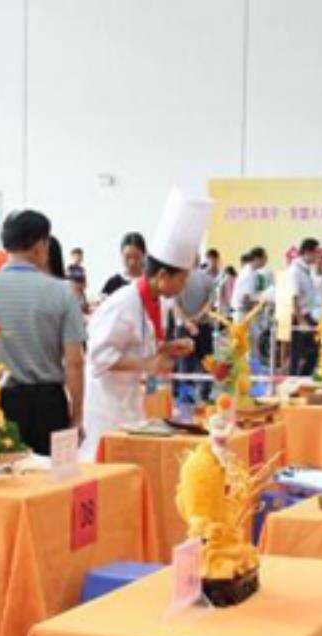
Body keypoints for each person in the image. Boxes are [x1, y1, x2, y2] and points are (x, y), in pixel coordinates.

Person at [81, 189, 211, 459]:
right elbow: (98, 358)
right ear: (162, 275)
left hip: (130, 401)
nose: (184, 286)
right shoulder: (123, 303)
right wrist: (147, 364)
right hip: (106, 405)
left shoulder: (157, 301)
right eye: (182, 279)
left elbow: (142, 347)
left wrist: (167, 348)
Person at [0, 210, 86, 456]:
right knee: (49, 476)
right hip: (49, 404)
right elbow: (75, 362)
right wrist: (77, 417)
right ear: (39, 246)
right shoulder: (63, 292)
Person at [174, 256, 215, 402]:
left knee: (184, 365)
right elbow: (209, 304)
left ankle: (186, 398)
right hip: (203, 327)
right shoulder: (208, 279)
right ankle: (204, 397)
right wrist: (197, 319)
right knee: (206, 363)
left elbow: (175, 306)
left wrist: (187, 322)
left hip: (184, 328)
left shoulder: (177, 279)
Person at [287, 238, 320, 375]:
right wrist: (301, 321)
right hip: (299, 316)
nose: (317, 256)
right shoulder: (295, 270)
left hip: (308, 315)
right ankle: (294, 378)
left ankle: (303, 376)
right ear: (307, 252)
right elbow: (293, 296)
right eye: (316, 252)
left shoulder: (305, 270)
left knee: (314, 350)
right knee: (297, 352)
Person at [100, 232, 146, 297]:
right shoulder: (113, 284)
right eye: (128, 257)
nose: (132, 262)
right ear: (121, 254)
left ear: (144, 254)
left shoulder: (151, 282)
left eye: (136, 257)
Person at [230, 252, 259, 320]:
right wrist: (258, 305)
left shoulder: (247, 273)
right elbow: (245, 298)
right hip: (242, 311)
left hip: (242, 310)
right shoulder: (247, 274)